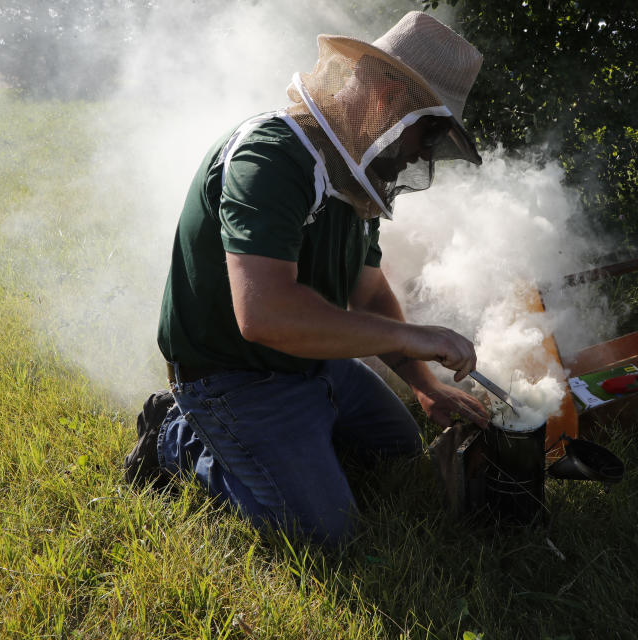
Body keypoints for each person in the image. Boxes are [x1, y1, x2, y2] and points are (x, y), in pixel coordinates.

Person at [149, 11, 490, 545]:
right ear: (388, 95)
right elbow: (264, 315)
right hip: (233, 376)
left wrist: (424, 386)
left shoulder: (358, 174)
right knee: (324, 532)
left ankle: (301, 436)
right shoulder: (270, 156)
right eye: (431, 130)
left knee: (396, 448)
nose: (426, 152)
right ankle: (178, 438)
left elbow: (369, 290)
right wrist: (412, 338)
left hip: (313, 362)